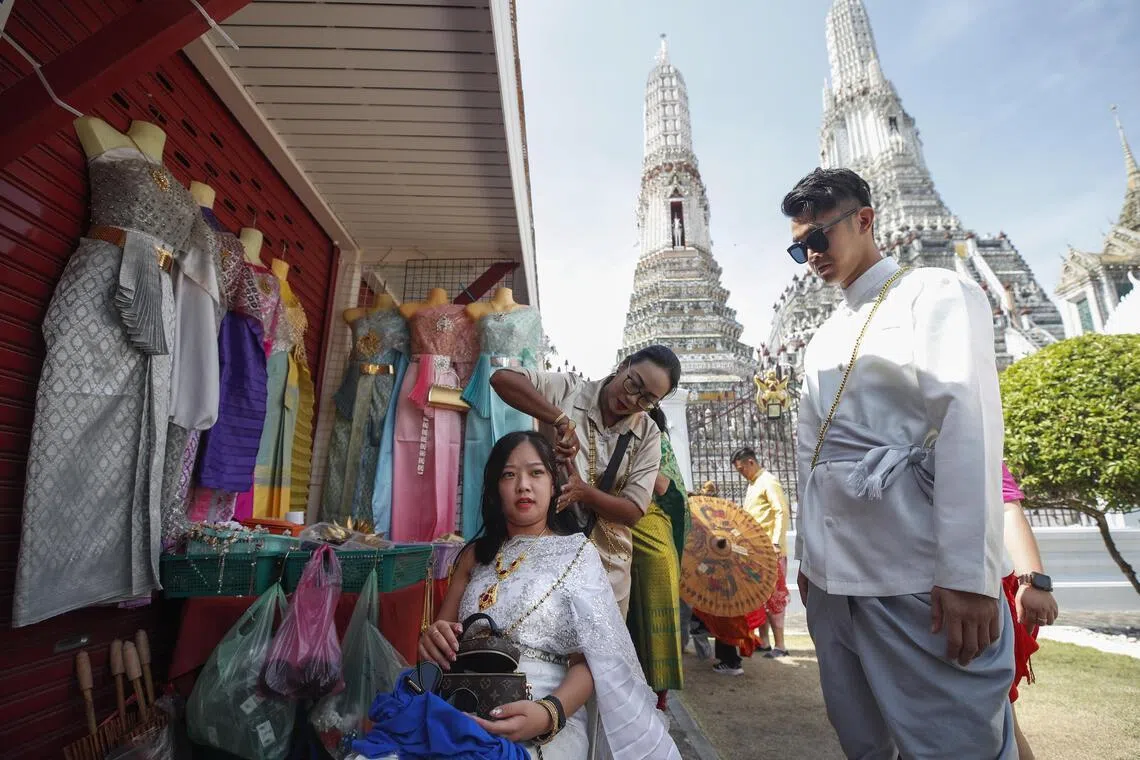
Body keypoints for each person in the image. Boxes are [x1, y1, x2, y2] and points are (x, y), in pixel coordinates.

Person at [785, 168, 1015, 758]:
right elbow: (812, 461)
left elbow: (969, 423)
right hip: (835, 579)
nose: (811, 255)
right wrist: (809, 561)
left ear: (864, 219)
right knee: (861, 741)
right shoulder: (819, 337)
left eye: (820, 238)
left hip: (912, 570)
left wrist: (969, 575)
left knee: (950, 742)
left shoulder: (934, 292)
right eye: (798, 247)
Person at [419, 431, 681, 759]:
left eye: (536, 473)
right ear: (495, 490)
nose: (523, 485)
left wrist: (548, 714)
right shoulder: (474, 555)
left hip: (547, 714)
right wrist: (434, 638)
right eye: (509, 475)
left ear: (554, 484)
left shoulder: (577, 555)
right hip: (463, 705)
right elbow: (439, 639)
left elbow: (591, 662)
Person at [489, 345, 681, 616]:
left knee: (598, 653)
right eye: (633, 384)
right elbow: (502, 379)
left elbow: (633, 512)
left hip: (608, 562)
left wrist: (583, 493)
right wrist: (559, 420)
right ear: (624, 364)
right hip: (547, 550)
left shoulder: (648, 434)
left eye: (647, 399)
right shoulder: (570, 391)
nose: (632, 399)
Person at [627, 408, 689, 709]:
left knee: (654, 600)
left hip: (649, 526)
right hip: (612, 523)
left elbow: (664, 486)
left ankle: (657, 693)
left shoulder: (653, 439)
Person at [1002, 461, 1059, 760]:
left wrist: (1033, 581)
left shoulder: (961, 419)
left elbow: (1006, 507)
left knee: (997, 720)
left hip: (974, 598)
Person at [731, 447, 792, 658]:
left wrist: (775, 543)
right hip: (756, 552)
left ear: (750, 462)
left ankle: (781, 645)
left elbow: (781, 511)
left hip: (770, 551)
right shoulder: (754, 485)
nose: (741, 473)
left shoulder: (768, 481)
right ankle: (765, 642)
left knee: (774, 598)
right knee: (760, 598)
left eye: (741, 469)